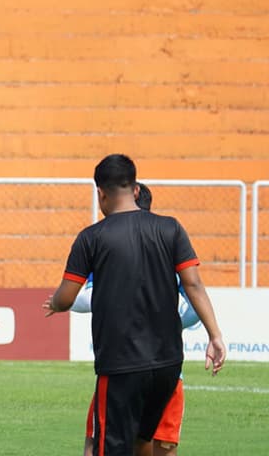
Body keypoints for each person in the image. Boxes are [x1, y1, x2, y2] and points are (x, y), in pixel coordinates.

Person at [44, 154, 225, 456]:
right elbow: (194, 284)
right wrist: (215, 335)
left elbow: (66, 297)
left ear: (100, 192)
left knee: (107, 448)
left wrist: (58, 302)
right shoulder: (171, 228)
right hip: (168, 365)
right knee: (143, 444)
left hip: (121, 366)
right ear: (137, 190)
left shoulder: (91, 238)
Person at [72, 184, 196, 456]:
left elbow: (78, 297)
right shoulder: (168, 242)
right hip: (166, 369)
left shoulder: (109, 244)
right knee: (158, 447)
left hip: (121, 368)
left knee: (100, 444)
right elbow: (195, 305)